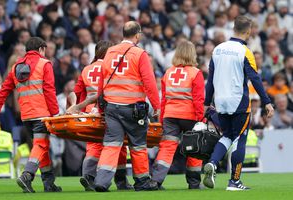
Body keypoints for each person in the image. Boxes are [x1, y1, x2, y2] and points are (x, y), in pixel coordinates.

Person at [204, 16, 274, 191]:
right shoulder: (245, 51)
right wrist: (266, 102)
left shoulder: (217, 49)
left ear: (233, 28)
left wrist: (207, 102)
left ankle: (212, 162)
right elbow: (255, 78)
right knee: (240, 139)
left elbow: (210, 80)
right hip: (238, 102)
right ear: (248, 31)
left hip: (220, 102)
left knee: (226, 136)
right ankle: (234, 181)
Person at [0, 37, 61, 193]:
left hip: (26, 115)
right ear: (41, 49)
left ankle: (49, 182)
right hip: (42, 114)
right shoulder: (44, 64)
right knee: (40, 145)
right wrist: (55, 113)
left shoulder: (15, 67)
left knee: (42, 147)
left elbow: (3, 91)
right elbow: (49, 90)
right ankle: (27, 175)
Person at [95, 21, 160, 192]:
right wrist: (157, 106)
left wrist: (100, 106)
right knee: (138, 145)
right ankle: (142, 181)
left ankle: (101, 181)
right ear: (137, 34)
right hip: (132, 109)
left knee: (111, 144)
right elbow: (150, 83)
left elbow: (102, 80)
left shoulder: (110, 51)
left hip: (111, 107)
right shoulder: (140, 54)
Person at [67, 40, 133, 191]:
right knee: (119, 144)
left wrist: (74, 109)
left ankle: (88, 175)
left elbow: (77, 93)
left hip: (90, 111)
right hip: (108, 108)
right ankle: (121, 181)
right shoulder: (111, 66)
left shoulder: (86, 69)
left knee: (93, 144)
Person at [151, 41, 205, 189]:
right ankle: (194, 183)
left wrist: (162, 118)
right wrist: (201, 118)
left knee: (167, 148)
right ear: (191, 54)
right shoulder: (195, 73)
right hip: (190, 116)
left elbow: (164, 98)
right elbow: (199, 99)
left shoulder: (168, 72)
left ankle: (156, 180)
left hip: (170, 115)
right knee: (194, 148)